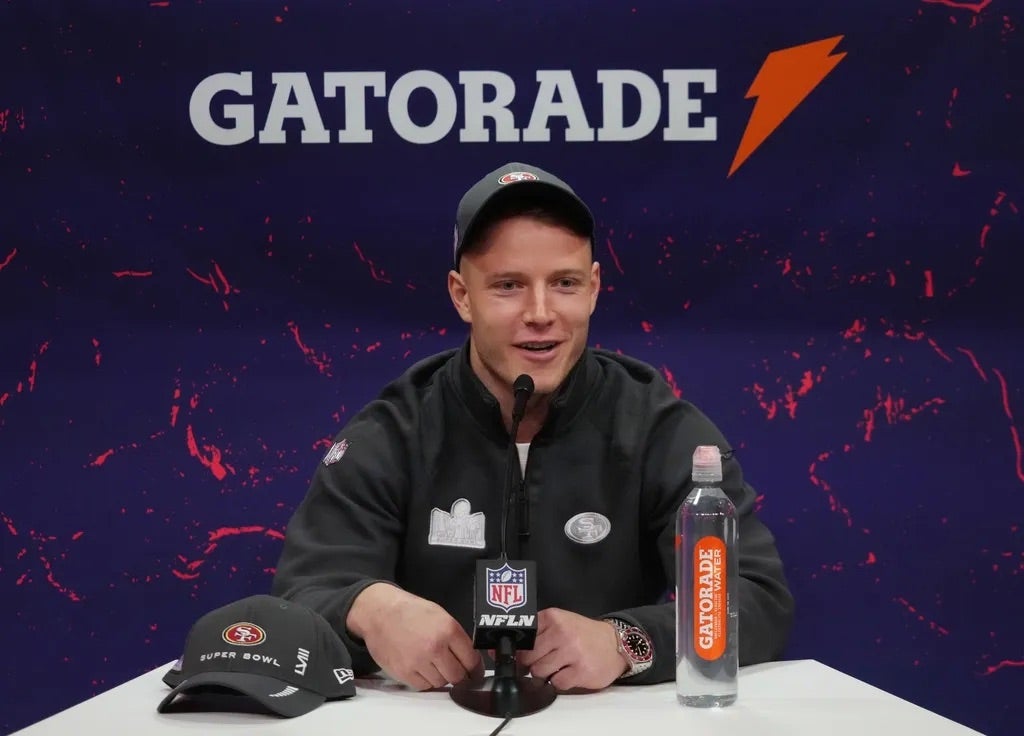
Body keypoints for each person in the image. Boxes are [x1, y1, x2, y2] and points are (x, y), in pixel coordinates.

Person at [271, 161, 794, 693]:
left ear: (593, 289)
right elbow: (302, 594)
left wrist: (626, 641)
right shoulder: (396, 431)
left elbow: (754, 597)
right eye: (508, 286)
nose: (540, 312)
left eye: (564, 283)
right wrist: (370, 608)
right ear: (461, 295)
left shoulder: (657, 428)